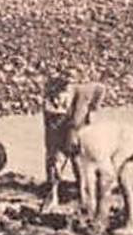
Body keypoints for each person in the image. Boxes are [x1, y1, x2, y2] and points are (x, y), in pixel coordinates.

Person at [40, 72, 105, 211]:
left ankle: (83, 195)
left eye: (61, 97)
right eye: (55, 98)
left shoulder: (83, 90)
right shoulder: (49, 105)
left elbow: (100, 88)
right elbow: (51, 135)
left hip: (78, 129)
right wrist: (55, 155)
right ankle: (53, 195)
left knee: (78, 162)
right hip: (57, 132)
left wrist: (93, 110)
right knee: (54, 164)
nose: (58, 101)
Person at [72, 119, 133, 235]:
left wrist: (97, 203)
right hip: (129, 137)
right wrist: (87, 198)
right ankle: (126, 221)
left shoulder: (89, 144)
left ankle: (112, 221)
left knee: (114, 180)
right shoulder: (82, 141)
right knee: (121, 180)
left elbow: (108, 174)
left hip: (129, 140)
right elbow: (88, 176)